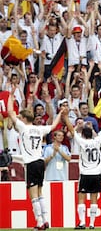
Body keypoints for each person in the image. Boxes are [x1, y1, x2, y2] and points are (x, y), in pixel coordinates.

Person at [7, 87, 63, 230]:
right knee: (39, 192)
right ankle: (45, 220)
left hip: (31, 163)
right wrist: (61, 113)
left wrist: (11, 96)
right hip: (40, 161)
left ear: (24, 119)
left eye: (21, 117)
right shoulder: (40, 129)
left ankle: (39, 222)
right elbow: (54, 125)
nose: (18, 119)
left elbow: (10, 113)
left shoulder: (23, 128)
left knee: (33, 195)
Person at [64, 108, 101, 230]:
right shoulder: (97, 140)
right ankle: (92, 224)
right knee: (94, 198)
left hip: (85, 173)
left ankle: (82, 222)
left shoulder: (81, 142)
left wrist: (66, 117)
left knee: (81, 198)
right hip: (96, 173)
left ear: (83, 135)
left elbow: (72, 131)